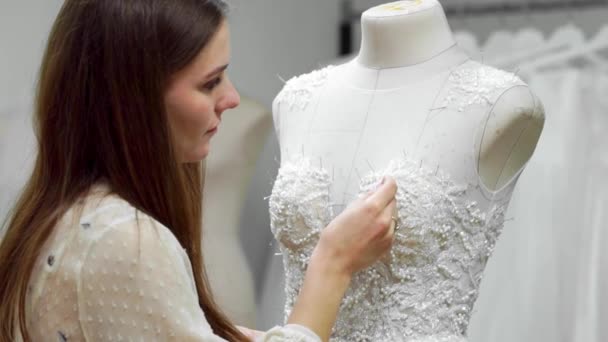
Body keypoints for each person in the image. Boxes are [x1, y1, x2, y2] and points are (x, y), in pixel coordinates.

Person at [0, 1, 398, 341]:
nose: (232, 98)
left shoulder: (68, 219)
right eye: (209, 83)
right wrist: (333, 263)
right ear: (135, 101)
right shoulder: (123, 241)